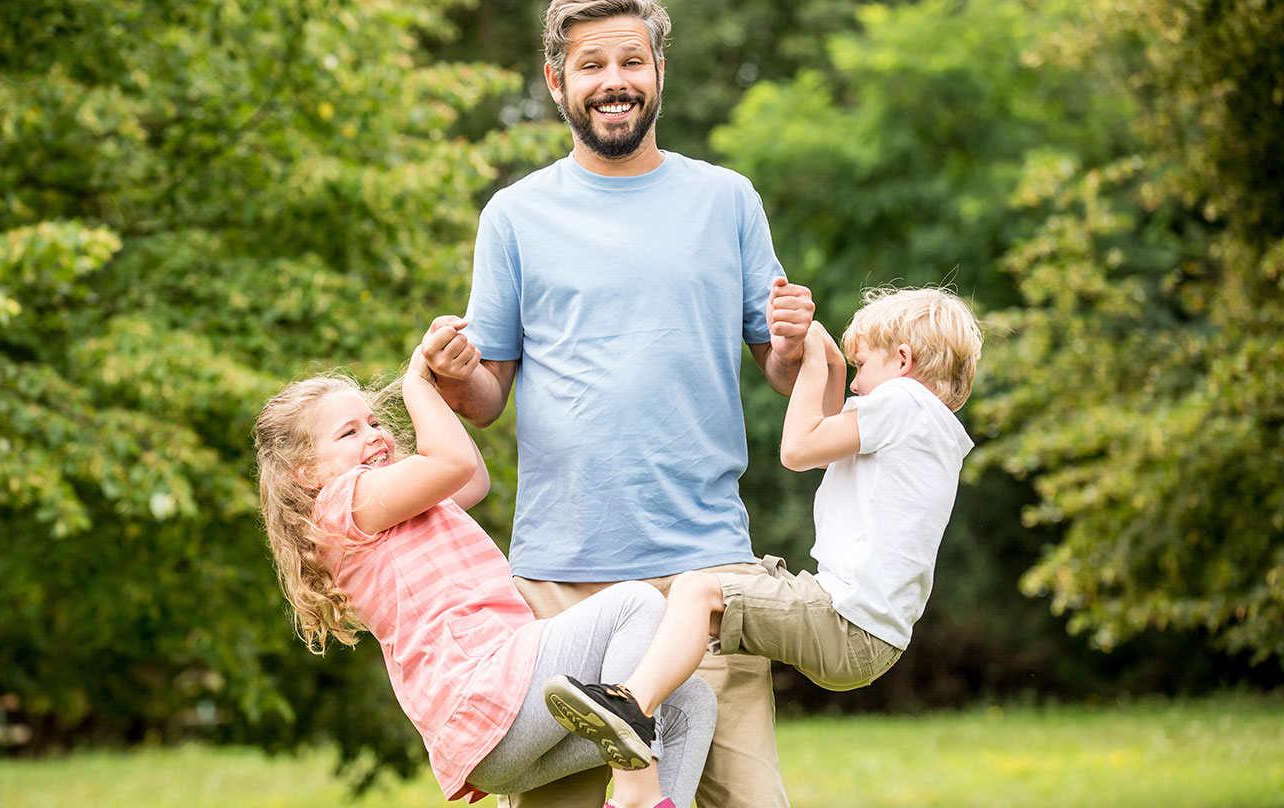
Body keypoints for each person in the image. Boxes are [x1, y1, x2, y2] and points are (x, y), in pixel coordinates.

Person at [421, 1, 812, 806]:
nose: (614, 83)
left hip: (705, 577)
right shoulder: (515, 216)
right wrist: (455, 374)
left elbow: (777, 366)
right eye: (592, 65)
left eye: (631, 62)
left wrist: (795, 341)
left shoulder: (727, 200)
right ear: (556, 80)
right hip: (566, 590)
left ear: (660, 70)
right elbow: (487, 396)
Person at [252, 326, 718, 808]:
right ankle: (636, 795)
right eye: (349, 432)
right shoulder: (341, 504)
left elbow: (471, 478)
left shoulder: (391, 501)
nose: (373, 435)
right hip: (481, 695)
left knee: (689, 702)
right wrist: (416, 385)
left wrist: (429, 389)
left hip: (508, 718)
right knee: (633, 604)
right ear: (305, 472)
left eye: (373, 422)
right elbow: (452, 462)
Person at [540, 287, 984, 763]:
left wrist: (813, 363)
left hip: (846, 622)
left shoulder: (903, 404)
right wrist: (830, 364)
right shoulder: (924, 426)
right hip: (863, 630)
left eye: (861, 367)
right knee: (728, 581)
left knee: (697, 590)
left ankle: (633, 708)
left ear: (902, 360)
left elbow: (798, 450)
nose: (856, 384)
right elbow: (825, 435)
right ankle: (640, 727)